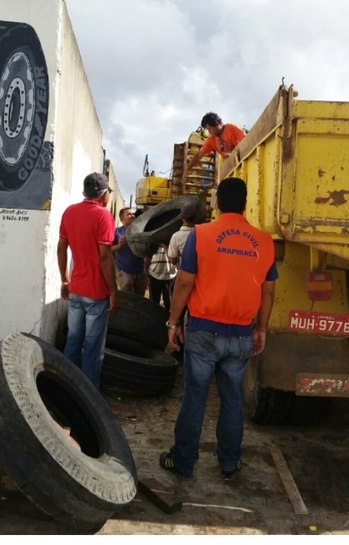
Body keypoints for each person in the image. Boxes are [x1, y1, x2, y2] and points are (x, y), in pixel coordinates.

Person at [159, 177, 277, 479]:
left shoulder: (201, 235)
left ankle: (183, 462)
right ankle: (229, 462)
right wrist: (261, 329)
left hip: (203, 332)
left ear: (218, 203)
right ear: (245, 204)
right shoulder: (264, 242)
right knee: (233, 400)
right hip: (240, 335)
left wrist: (173, 321)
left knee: (195, 398)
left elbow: (184, 282)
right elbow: (268, 291)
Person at [57, 172, 118, 388]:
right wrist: (113, 291)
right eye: (108, 193)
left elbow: (61, 248)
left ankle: (64, 389)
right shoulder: (103, 216)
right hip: (96, 293)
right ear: (103, 194)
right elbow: (105, 257)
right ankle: (89, 395)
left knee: (73, 340)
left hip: (76, 289)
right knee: (92, 347)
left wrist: (65, 280)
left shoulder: (69, 212)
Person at [181, 112, 246, 186]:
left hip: (243, 166)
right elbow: (199, 154)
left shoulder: (231, 128)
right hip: (232, 171)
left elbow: (246, 143)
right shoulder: (212, 140)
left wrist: (232, 155)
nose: (209, 132)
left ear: (216, 124)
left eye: (209, 129)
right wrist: (187, 170)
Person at [111, 207, 148, 294]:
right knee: (127, 298)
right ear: (122, 218)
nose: (132, 216)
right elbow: (109, 249)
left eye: (133, 214)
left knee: (140, 299)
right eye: (129, 214)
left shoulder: (140, 232)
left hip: (140, 271)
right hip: (124, 273)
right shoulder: (116, 232)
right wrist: (119, 245)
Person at [167, 201, 200, 267]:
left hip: (185, 270)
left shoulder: (176, 236)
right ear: (196, 217)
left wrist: (165, 247)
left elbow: (173, 261)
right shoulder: (202, 233)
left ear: (181, 217)